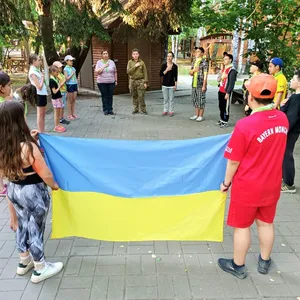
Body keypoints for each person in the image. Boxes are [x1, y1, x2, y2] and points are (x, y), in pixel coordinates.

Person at [218, 74, 288, 279]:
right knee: (266, 223)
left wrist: (226, 182)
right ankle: (264, 261)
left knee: (242, 226)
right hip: (272, 183)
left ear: (250, 97)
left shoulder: (246, 125)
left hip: (248, 185)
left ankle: (238, 265)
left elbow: (233, 161)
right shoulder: (282, 119)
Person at [0, 100, 63, 283]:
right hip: (33, 192)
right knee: (35, 227)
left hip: (14, 190)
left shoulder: (4, 146)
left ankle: (24, 261)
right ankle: (40, 267)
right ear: (19, 120)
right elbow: (45, 173)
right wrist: (54, 185)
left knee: (22, 224)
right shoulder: (28, 147)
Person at [281, 69, 300, 193]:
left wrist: (283, 130)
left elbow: (291, 118)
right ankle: (286, 179)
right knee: (285, 154)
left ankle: (289, 184)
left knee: (286, 154)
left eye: (293, 79)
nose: (291, 81)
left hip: (290, 130)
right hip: (292, 130)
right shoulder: (294, 97)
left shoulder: (297, 98)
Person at [217, 53, 238, 128]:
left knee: (226, 106)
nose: (224, 60)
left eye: (226, 59)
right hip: (221, 90)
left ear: (230, 60)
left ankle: (225, 120)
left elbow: (231, 83)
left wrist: (228, 92)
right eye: (224, 59)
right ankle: (222, 119)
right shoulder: (223, 69)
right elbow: (218, 79)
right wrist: (221, 76)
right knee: (221, 105)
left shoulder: (232, 70)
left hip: (226, 91)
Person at [28, 54, 48, 133]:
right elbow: (38, 86)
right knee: (40, 114)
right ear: (33, 61)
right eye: (38, 60)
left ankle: (42, 131)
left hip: (43, 93)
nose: (40, 62)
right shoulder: (33, 72)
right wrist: (43, 78)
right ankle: (40, 132)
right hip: (39, 93)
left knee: (43, 113)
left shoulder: (37, 70)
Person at [95, 50, 118, 115]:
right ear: (102, 55)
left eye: (106, 53)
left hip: (111, 82)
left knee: (110, 96)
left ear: (108, 54)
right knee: (104, 96)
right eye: (104, 54)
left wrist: (116, 80)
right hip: (102, 82)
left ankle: (110, 109)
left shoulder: (112, 62)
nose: (105, 55)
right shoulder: (99, 62)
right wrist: (104, 66)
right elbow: (97, 72)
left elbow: (115, 72)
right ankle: (105, 109)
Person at [127, 49, 148, 115]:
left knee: (141, 96)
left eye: (136, 54)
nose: (135, 55)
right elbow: (128, 72)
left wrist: (145, 82)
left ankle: (143, 109)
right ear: (132, 55)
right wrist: (135, 66)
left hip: (140, 81)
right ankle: (135, 109)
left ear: (138, 55)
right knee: (134, 96)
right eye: (134, 54)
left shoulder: (142, 62)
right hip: (132, 81)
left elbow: (145, 73)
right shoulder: (130, 62)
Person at [189, 47, 208, 122]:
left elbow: (206, 75)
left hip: (200, 83)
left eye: (199, 51)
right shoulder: (194, 62)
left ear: (202, 53)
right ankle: (196, 114)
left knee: (201, 100)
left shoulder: (204, 63)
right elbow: (190, 73)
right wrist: (194, 70)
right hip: (194, 83)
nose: (197, 53)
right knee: (195, 100)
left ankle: (200, 115)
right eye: (196, 51)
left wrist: (204, 85)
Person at [160, 51, 178, 117]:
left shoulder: (175, 66)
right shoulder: (164, 65)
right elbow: (160, 74)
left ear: (172, 57)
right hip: (164, 85)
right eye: (168, 56)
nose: (169, 57)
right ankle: (165, 110)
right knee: (165, 99)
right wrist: (167, 70)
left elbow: (176, 76)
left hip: (171, 85)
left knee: (171, 99)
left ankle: (171, 111)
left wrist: (175, 85)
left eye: (170, 56)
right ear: (166, 57)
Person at [49, 66, 67, 133]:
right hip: (55, 98)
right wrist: (59, 86)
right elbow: (54, 91)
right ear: (52, 72)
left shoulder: (55, 79)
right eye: (56, 72)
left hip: (58, 98)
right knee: (57, 113)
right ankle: (56, 126)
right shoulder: (51, 81)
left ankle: (58, 125)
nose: (57, 73)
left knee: (58, 112)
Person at [64, 55, 78, 120]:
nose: (71, 62)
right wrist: (72, 74)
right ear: (66, 61)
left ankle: (73, 113)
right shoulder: (65, 69)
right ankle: (69, 114)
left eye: (72, 60)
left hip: (74, 84)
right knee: (70, 100)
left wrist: (77, 84)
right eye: (70, 60)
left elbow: (75, 77)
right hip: (70, 85)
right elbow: (66, 79)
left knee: (74, 99)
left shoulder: (73, 68)